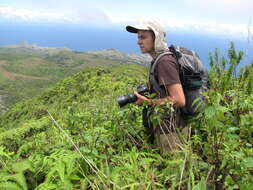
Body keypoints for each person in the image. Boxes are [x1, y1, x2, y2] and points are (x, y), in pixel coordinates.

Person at [126, 21, 188, 154]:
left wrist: (147, 102)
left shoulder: (164, 62)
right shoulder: (158, 60)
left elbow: (179, 100)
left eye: (143, 37)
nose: (138, 42)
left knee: (176, 170)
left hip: (172, 130)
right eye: (138, 37)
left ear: (157, 38)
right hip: (166, 127)